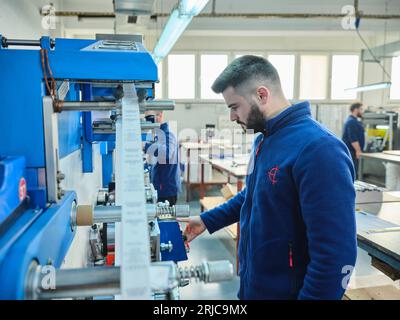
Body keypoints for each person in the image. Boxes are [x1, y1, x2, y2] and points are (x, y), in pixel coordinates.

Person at [178, 55, 357, 300]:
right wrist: (206, 221)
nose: (232, 117)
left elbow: (337, 256)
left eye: (234, 107)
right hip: (254, 288)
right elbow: (252, 194)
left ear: (261, 95)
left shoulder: (319, 149)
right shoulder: (264, 139)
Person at [144, 111, 180, 205]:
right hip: (159, 187)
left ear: (159, 116)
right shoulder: (158, 135)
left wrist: (146, 146)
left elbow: (166, 153)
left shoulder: (169, 135)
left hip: (167, 190)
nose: (147, 122)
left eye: (149, 118)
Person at [342, 102, 365, 179]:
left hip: (353, 151)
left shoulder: (353, 121)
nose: (362, 111)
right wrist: (358, 151)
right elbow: (353, 139)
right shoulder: (351, 122)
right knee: (353, 173)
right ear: (356, 109)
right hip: (352, 152)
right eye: (361, 109)